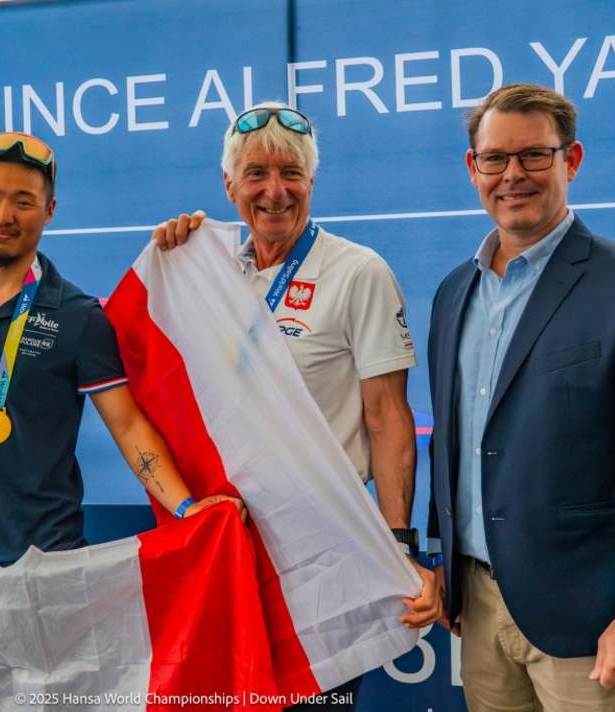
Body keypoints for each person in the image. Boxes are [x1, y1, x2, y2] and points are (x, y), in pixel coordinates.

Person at [426, 82, 615, 710]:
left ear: (571, 160)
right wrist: (443, 563)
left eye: (534, 155)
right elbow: (453, 444)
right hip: (479, 610)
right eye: (495, 158)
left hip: (600, 620)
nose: (513, 175)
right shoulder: (453, 293)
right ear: (473, 168)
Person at [151, 101, 441, 709]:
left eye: (291, 174)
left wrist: (398, 544)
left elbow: (388, 418)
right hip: (229, 547)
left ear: (312, 181)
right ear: (229, 185)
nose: (275, 191)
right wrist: (169, 256)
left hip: (323, 553)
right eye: (256, 174)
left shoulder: (358, 271)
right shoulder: (206, 271)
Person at [0, 132, 242, 568]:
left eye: (23, 202)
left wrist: (186, 507)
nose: (3, 216)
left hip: (48, 557)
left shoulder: (78, 315)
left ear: (50, 210)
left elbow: (127, 425)